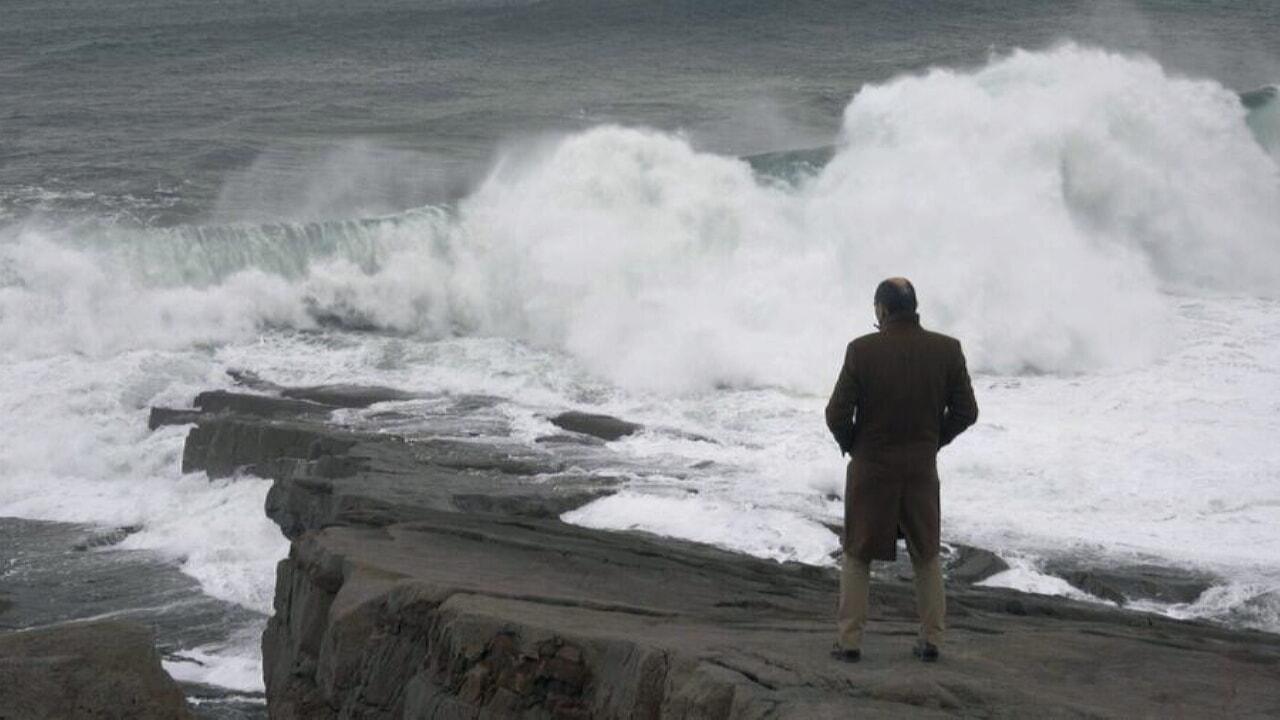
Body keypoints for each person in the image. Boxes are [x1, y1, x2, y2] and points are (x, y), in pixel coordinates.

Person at [824, 277, 979, 663]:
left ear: (881, 309)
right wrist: (933, 441)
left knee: (857, 554)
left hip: (871, 468)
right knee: (926, 555)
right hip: (920, 469)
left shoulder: (862, 350)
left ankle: (849, 641)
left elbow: (836, 413)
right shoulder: (947, 349)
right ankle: (932, 641)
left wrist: (854, 445)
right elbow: (967, 412)